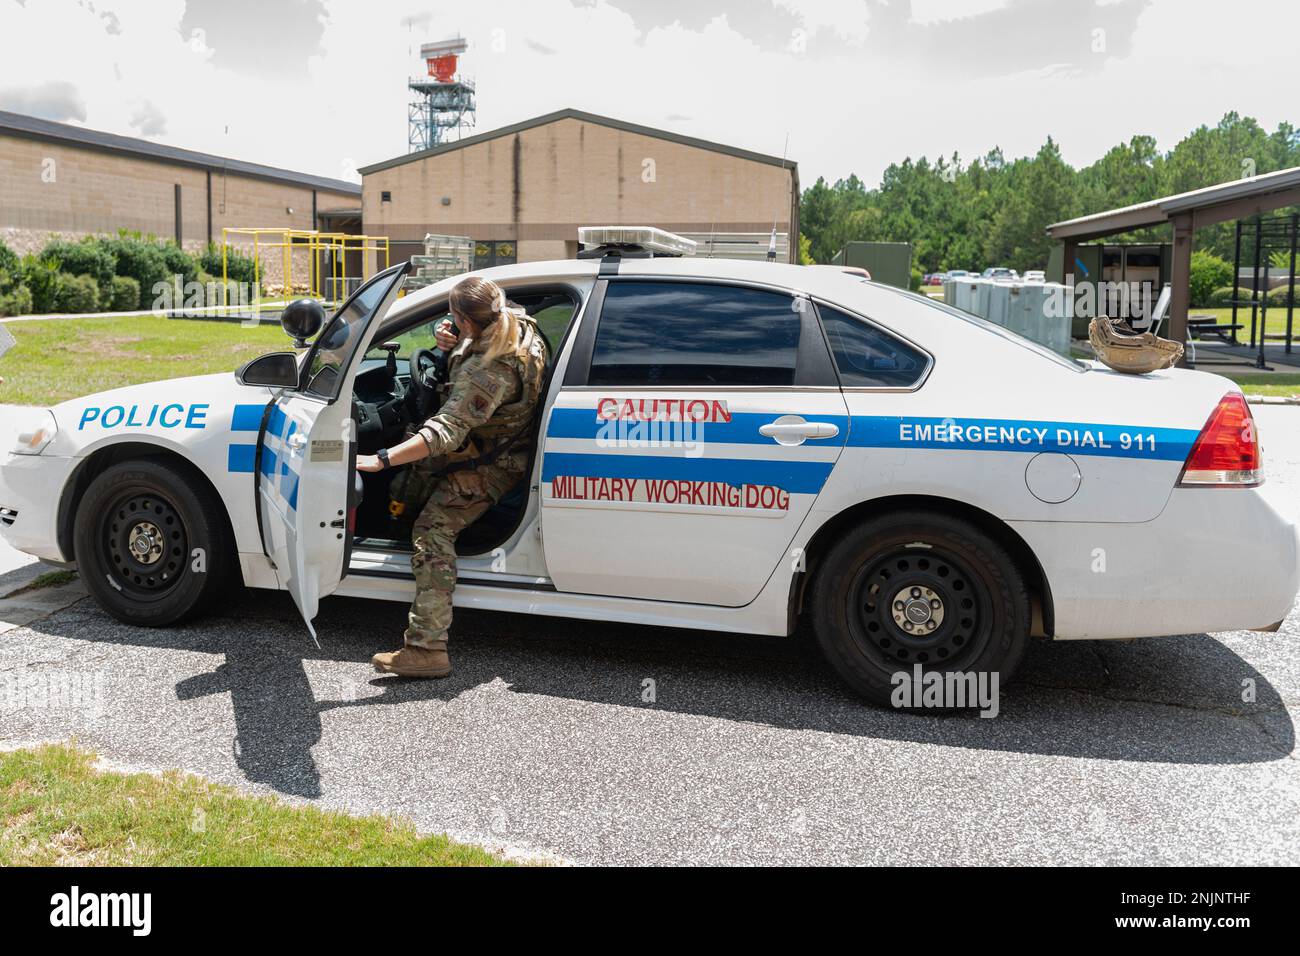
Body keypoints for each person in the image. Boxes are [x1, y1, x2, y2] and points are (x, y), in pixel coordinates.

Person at [356, 276, 548, 678]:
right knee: (411, 484)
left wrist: (382, 459)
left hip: (494, 464)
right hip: (497, 446)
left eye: (454, 317)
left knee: (431, 532)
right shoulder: (519, 326)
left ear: (464, 318)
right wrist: (453, 345)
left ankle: (426, 649)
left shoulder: (490, 369)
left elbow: (444, 432)